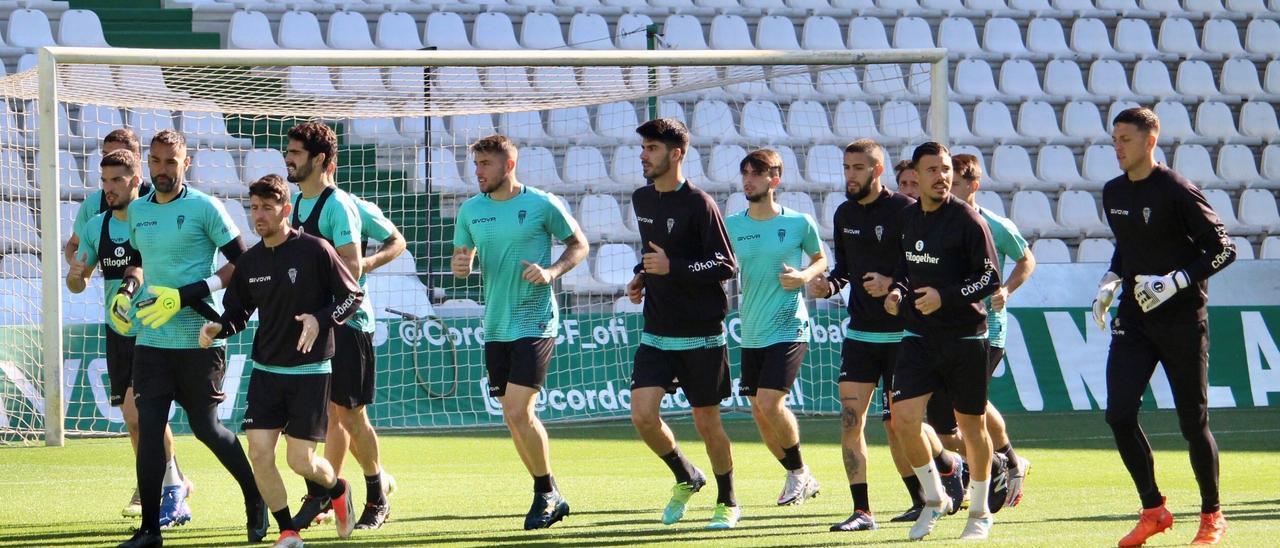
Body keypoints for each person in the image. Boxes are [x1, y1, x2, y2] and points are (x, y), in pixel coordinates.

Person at [117, 129, 266, 548]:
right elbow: (138, 262)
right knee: (149, 429)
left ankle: (255, 498)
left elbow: (243, 263)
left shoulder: (206, 208)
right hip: (151, 340)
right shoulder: (139, 210)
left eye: (171, 162)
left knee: (207, 429)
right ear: (147, 162)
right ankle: (150, 529)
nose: (162, 170)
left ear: (187, 164)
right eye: (156, 161)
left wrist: (188, 293)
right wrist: (128, 291)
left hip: (199, 339)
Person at [807, 139, 965, 531]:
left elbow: (923, 268)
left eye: (858, 168)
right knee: (849, 421)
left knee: (900, 423)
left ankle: (946, 464)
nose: (850, 175)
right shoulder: (843, 214)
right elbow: (845, 266)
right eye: (846, 167)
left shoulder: (906, 211)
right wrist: (830, 286)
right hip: (861, 333)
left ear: (877, 171)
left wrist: (895, 286)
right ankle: (863, 511)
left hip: (904, 335)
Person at [1095, 107, 1234, 547]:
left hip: (1181, 321)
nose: (1117, 147)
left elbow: (1223, 250)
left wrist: (1177, 280)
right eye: (1114, 139)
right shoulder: (1113, 191)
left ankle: (1212, 515)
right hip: (1134, 320)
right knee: (1118, 413)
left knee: (1193, 423)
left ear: (1150, 141)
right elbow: (1128, 246)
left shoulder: (1176, 190)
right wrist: (1110, 279)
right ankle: (1153, 509)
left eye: (1125, 139)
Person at [200, 175, 363, 547]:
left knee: (300, 462)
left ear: (285, 210)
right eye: (254, 208)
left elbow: (352, 296)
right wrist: (218, 328)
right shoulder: (250, 261)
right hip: (266, 372)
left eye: (267, 208)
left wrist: (319, 319)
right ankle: (287, 530)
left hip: (310, 372)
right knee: (259, 453)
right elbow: (237, 314)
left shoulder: (316, 250)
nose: (258, 216)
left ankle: (338, 489)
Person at [451, 134, 587, 530]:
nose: (478, 172)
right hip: (495, 326)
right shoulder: (471, 210)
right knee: (512, 418)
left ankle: (546, 492)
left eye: (485, 165)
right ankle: (549, 492)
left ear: (509, 166)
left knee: (517, 409)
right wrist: (462, 267)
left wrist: (551, 272)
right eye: (475, 165)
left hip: (535, 320)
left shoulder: (541, 203)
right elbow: (464, 258)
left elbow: (579, 245)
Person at [626, 118, 741, 529]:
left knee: (707, 423)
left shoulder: (700, 204)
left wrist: (671, 267)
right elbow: (653, 255)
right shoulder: (641, 199)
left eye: (652, 148)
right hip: (657, 330)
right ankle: (686, 476)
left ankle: (728, 500)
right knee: (642, 415)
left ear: (676, 153)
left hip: (701, 335)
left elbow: (725, 264)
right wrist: (641, 275)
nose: (643, 155)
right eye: (643, 147)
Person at [277, 122, 392, 532]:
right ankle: (322, 492)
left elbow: (351, 268)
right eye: (287, 151)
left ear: (320, 160)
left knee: (350, 414)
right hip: (315, 324)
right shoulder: (299, 204)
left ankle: (376, 493)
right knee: (326, 414)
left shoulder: (338, 206)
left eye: (295, 153)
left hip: (346, 323)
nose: (288, 158)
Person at [65, 148, 191, 525]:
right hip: (117, 331)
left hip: (153, 329)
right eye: (104, 181)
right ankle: (167, 484)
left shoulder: (151, 218)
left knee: (146, 416)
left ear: (136, 180)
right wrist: (75, 272)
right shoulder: (96, 226)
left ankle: (171, 489)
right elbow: (78, 282)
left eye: (116, 180)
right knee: (135, 423)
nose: (108, 188)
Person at [884, 142, 1001, 541]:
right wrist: (899, 291)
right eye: (933, 169)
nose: (942, 176)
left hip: (966, 337)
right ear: (916, 176)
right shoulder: (908, 218)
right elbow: (905, 267)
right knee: (902, 420)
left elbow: (990, 278)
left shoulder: (968, 221)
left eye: (946, 169)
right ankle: (935, 499)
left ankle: (981, 511)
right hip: (919, 336)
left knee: (971, 427)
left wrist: (944, 296)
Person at [723, 149, 826, 508]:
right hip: (751, 329)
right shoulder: (732, 225)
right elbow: (718, 263)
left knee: (770, 401)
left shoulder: (799, 223)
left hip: (788, 327)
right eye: (745, 173)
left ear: (774, 180)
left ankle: (798, 473)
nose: (748, 180)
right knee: (758, 410)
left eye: (756, 173)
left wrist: (803, 276)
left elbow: (821, 259)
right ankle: (800, 472)